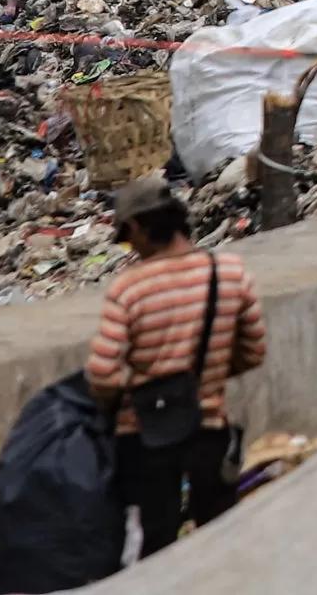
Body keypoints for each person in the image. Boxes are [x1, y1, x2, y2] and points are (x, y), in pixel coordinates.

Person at [85, 173, 265, 556]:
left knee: (155, 549)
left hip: (144, 439)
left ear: (136, 227)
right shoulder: (229, 273)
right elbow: (254, 351)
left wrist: (132, 388)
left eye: (127, 237)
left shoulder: (128, 290)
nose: (130, 248)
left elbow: (102, 374)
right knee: (219, 543)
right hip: (209, 430)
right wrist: (207, 376)